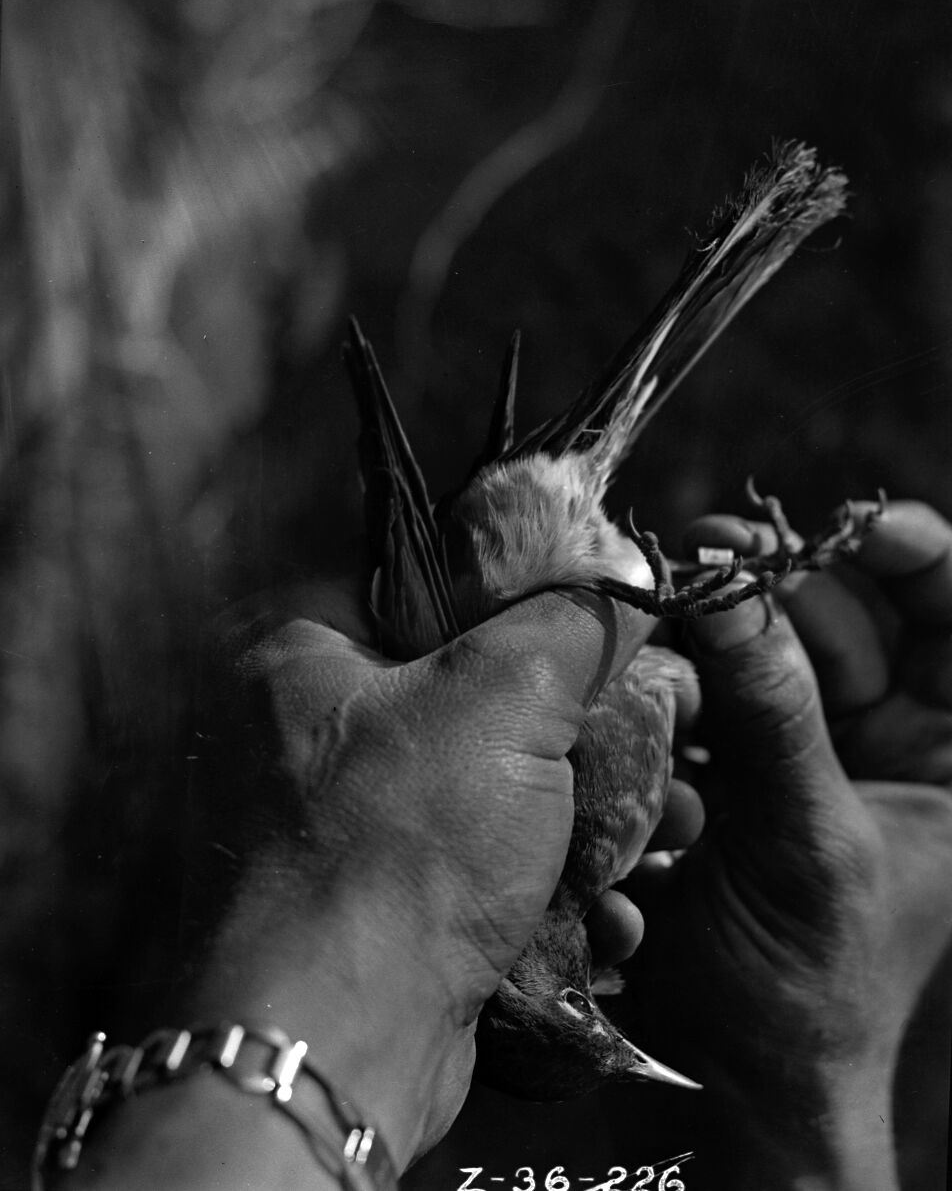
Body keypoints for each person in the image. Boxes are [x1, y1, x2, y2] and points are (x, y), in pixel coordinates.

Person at [36, 499, 952, 1190]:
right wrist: (795, 1119)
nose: (609, 990)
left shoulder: (566, 841)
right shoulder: (614, 857)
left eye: (578, 1005)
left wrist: (347, 915)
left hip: (527, 567)